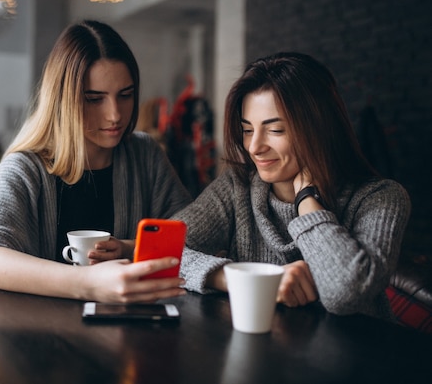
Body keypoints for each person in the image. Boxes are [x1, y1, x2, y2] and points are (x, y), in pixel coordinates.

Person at [0, 20, 191, 302]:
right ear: (63, 99)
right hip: (41, 337)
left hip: (131, 335)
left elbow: (192, 237)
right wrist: (87, 283)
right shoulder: (26, 166)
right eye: (94, 99)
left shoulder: (145, 154)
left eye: (126, 95)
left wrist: (130, 249)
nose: (115, 114)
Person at [176, 52, 411, 322]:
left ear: (319, 129)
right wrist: (251, 281)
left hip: (360, 359)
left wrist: (307, 201)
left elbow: (346, 294)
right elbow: (162, 251)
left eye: (275, 130)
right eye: (248, 130)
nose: (254, 148)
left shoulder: (381, 198)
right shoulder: (237, 186)